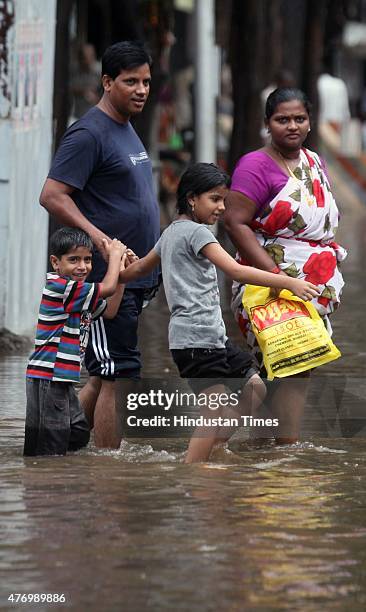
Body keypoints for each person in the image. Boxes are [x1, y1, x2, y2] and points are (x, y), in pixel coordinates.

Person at [118, 163, 320, 462]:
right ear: (191, 198)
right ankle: (195, 468)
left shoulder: (170, 233)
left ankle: (214, 446)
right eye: (215, 199)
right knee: (213, 407)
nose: (222, 207)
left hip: (209, 339)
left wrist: (116, 263)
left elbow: (134, 270)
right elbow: (236, 270)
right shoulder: (197, 233)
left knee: (254, 387)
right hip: (197, 340)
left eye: (223, 200)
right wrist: (290, 282)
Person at [39, 41, 160, 449]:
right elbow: (53, 195)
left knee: (104, 369)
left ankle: (61, 446)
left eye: (146, 81)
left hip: (133, 275)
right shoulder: (89, 133)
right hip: (109, 276)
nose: (141, 89)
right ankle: (109, 472)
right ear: (107, 82)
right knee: (118, 373)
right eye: (130, 82)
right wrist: (101, 240)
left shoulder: (125, 126)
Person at [224, 87, 347, 444]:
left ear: (310, 122)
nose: (291, 126)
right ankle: (285, 451)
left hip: (312, 285)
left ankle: (262, 450)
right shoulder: (255, 165)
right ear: (267, 124)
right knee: (293, 364)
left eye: (299, 119)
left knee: (283, 366)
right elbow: (235, 223)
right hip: (267, 280)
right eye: (282, 119)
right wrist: (276, 276)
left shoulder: (314, 161)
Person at [24, 228, 127, 456]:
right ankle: (48, 480)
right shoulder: (61, 286)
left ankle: (57, 475)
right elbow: (107, 288)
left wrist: (121, 272)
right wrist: (116, 256)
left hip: (61, 378)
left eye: (87, 260)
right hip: (48, 377)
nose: (82, 267)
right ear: (55, 262)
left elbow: (109, 310)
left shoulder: (79, 293)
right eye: (74, 260)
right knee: (51, 446)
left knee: (77, 432)